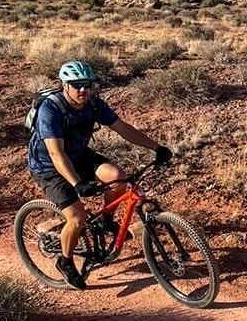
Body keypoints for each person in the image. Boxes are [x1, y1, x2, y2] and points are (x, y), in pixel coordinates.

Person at [27, 60, 172, 289]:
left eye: (87, 84)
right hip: (49, 166)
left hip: (78, 155)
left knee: (117, 177)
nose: (83, 89)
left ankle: (106, 221)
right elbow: (55, 153)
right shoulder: (51, 109)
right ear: (64, 85)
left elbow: (123, 128)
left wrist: (156, 148)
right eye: (77, 85)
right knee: (76, 218)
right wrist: (77, 184)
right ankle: (64, 262)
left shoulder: (93, 104)